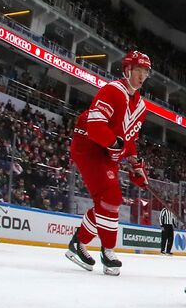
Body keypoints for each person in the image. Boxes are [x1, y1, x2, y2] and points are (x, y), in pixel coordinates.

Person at [65, 50, 152, 276]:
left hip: (106, 151)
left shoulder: (141, 107)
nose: (142, 75)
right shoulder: (112, 91)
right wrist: (115, 144)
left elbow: (128, 139)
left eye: (146, 71)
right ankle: (108, 250)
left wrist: (136, 164)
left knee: (106, 201)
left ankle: (78, 243)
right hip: (88, 146)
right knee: (111, 197)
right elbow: (95, 127)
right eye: (139, 70)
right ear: (127, 70)